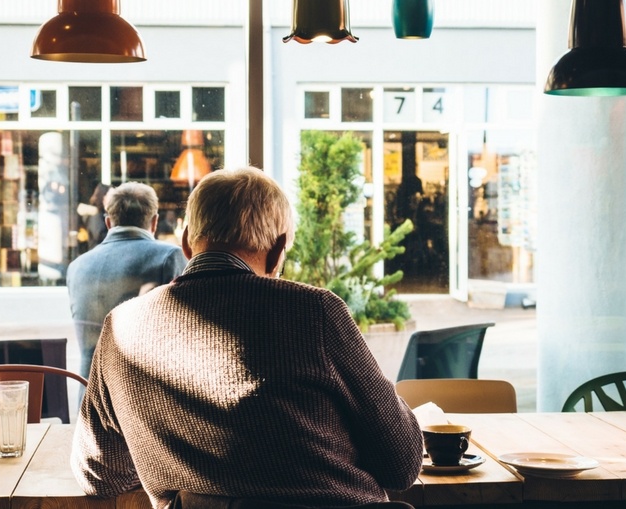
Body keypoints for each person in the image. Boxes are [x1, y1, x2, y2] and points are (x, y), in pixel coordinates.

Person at [71, 167, 423, 508]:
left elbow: (99, 474)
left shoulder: (121, 327)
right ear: (278, 249)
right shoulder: (315, 312)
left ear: (186, 243)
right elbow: (402, 463)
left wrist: (175, 455)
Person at [66, 181, 187, 380]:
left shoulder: (77, 266)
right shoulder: (168, 257)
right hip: (142, 398)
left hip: (89, 397)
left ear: (108, 222)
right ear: (155, 222)